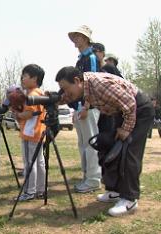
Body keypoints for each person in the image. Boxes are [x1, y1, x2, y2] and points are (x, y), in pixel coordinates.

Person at [55, 66, 155, 217]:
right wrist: (59, 99)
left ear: (77, 81)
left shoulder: (100, 84)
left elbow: (129, 104)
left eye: (66, 88)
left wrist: (126, 129)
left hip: (139, 110)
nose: (64, 93)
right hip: (119, 112)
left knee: (129, 152)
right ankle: (114, 191)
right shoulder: (85, 88)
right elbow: (84, 99)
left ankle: (130, 199)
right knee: (108, 147)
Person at [68, 25, 101, 192]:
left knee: (91, 144)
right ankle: (87, 176)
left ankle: (94, 179)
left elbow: (92, 83)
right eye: (74, 36)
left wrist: (86, 106)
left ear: (86, 38)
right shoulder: (80, 59)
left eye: (78, 36)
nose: (75, 39)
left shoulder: (91, 58)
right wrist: (77, 107)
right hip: (81, 107)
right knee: (83, 144)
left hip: (90, 107)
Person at [11, 64, 46, 201]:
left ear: (34, 78)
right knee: (39, 162)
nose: (22, 78)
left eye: (25, 76)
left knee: (29, 163)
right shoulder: (40, 93)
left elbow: (28, 114)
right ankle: (40, 190)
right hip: (39, 132)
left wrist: (17, 114)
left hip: (29, 133)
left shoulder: (31, 95)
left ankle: (29, 192)